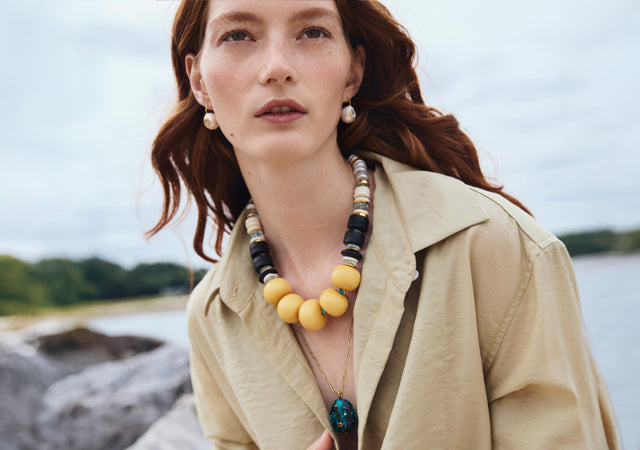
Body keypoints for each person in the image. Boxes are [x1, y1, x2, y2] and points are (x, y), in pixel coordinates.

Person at [148, 1, 620, 449]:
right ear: (200, 81)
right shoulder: (212, 317)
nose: (276, 67)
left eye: (312, 31)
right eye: (238, 35)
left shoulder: (494, 246)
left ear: (353, 72)